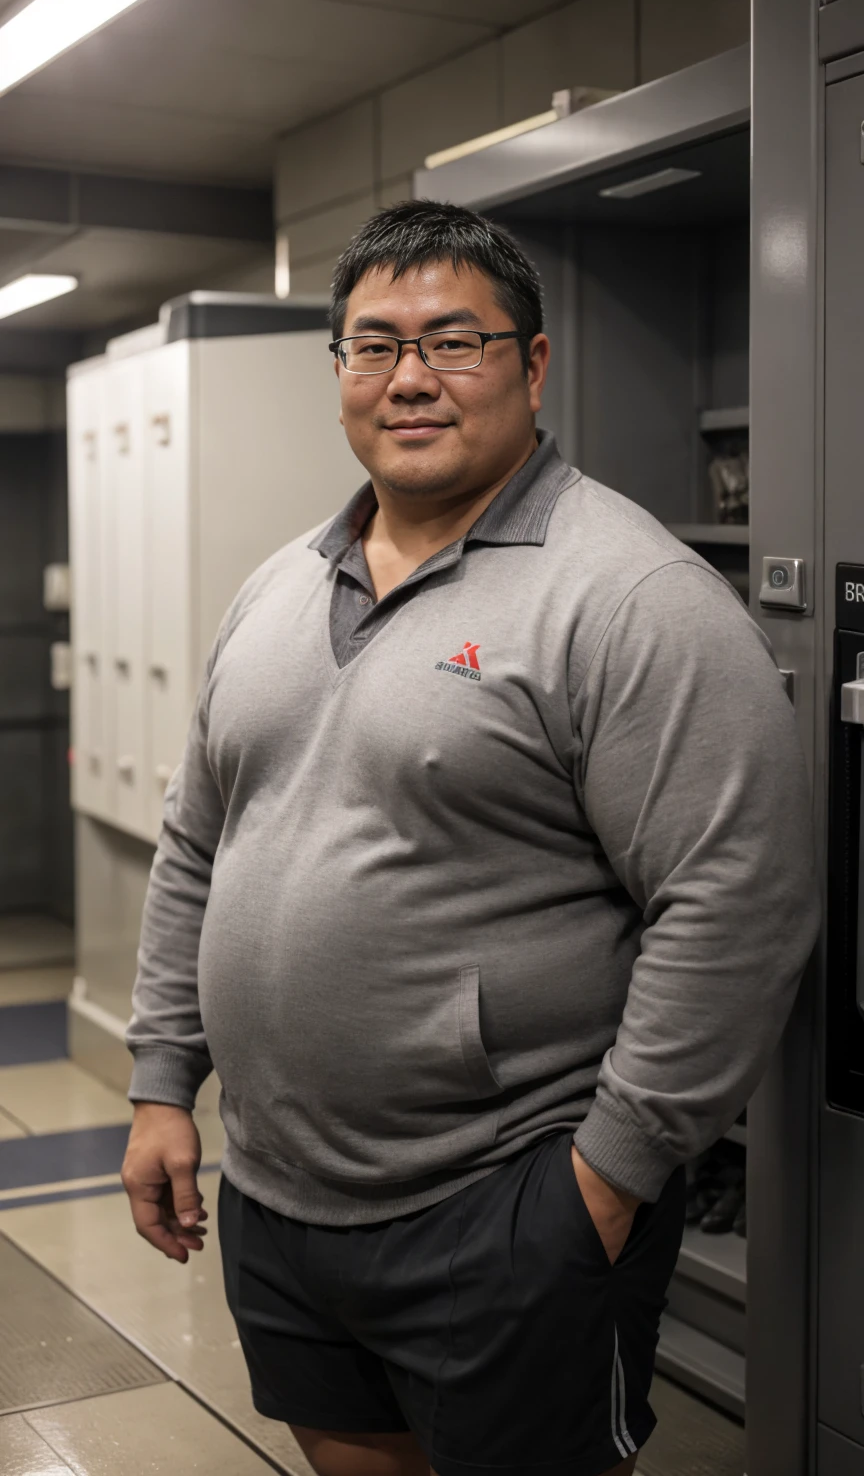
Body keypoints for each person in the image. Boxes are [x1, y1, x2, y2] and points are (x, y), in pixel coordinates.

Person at [121, 199, 819, 1476]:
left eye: (457, 341)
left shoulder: (634, 598)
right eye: (374, 345)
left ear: (535, 363)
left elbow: (737, 903)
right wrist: (165, 1080)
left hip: (503, 1199)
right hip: (278, 1194)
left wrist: (603, 1184)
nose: (412, 379)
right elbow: (196, 846)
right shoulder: (274, 587)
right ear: (337, 370)